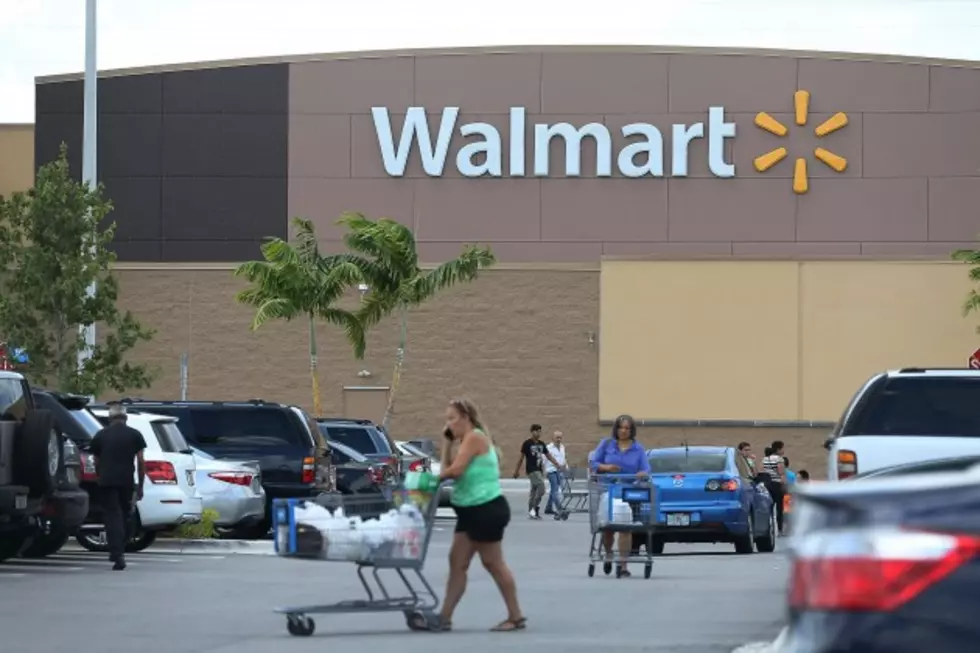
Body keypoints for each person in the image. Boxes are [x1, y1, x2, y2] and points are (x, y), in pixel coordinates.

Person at [426, 398, 525, 632]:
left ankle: (516, 616)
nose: (448, 424)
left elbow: (455, 472)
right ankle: (444, 617)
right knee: (457, 562)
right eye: (446, 419)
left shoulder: (475, 438)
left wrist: (428, 480)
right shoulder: (463, 443)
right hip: (469, 511)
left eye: (451, 418)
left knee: (493, 563)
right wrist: (446, 444)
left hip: (486, 509)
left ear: (466, 417)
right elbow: (447, 470)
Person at [89, 403, 147, 570]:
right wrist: (140, 485)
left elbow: (96, 461)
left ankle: (117, 553)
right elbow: (141, 461)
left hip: (107, 481)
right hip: (126, 481)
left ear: (110, 418)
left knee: (112, 516)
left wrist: (99, 476)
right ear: (126, 418)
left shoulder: (101, 435)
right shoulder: (135, 435)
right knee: (125, 514)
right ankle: (121, 546)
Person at [590, 414, 650, 578]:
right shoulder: (607, 444)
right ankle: (609, 553)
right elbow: (594, 463)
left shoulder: (638, 449)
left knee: (625, 528)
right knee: (608, 528)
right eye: (621, 428)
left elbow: (646, 469)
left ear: (632, 431)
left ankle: (623, 565)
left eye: (627, 428)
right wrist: (607, 467)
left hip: (628, 492)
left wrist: (641, 474)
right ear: (616, 429)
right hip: (608, 490)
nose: (623, 431)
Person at [513, 424, 561, 520]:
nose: (539, 433)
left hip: (539, 470)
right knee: (542, 489)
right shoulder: (527, 443)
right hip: (531, 470)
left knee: (534, 492)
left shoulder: (541, 444)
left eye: (540, 431)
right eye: (536, 431)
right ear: (532, 432)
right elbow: (521, 458)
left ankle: (532, 512)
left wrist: (556, 463)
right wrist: (516, 471)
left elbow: (548, 455)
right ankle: (534, 509)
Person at [761, 444, 786, 536]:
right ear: (778, 449)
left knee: (769, 507)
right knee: (779, 508)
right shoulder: (779, 459)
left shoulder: (765, 459)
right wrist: (783, 483)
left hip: (768, 484)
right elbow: (781, 472)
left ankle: (768, 528)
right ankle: (780, 530)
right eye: (782, 448)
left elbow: (763, 471)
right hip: (777, 484)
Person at [543, 430, 568, 518]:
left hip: (559, 471)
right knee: (555, 489)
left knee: (555, 488)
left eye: (560, 437)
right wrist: (545, 470)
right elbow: (544, 459)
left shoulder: (562, 447)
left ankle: (548, 508)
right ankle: (559, 508)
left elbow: (563, 458)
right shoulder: (548, 448)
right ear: (553, 438)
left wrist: (565, 466)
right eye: (557, 437)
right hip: (551, 470)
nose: (559, 439)